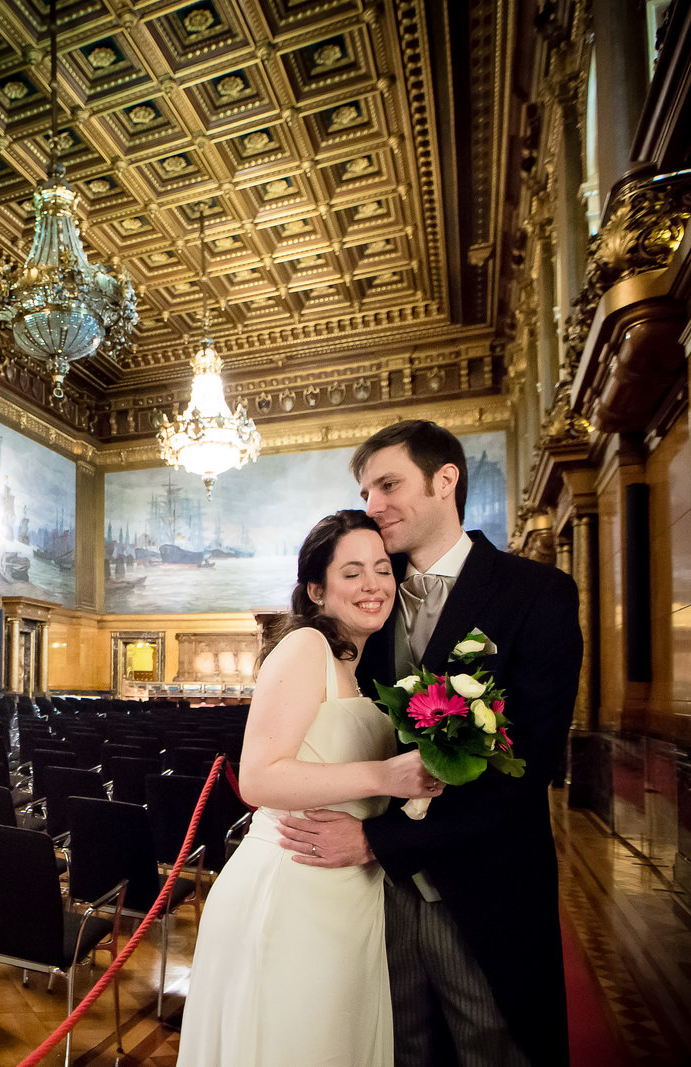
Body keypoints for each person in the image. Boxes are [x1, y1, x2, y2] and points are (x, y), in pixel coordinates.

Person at [277, 420, 581, 1067]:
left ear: (447, 480)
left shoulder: (537, 594)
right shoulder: (371, 610)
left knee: (491, 1047)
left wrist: (374, 840)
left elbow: (525, 770)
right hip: (379, 897)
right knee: (403, 1047)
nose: (373, 504)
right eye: (365, 490)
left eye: (389, 484)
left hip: (482, 890)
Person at [179, 509, 436, 1067]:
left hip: (347, 890)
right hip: (292, 888)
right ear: (317, 589)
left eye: (382, 569)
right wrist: (386, 775)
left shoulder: (361, 667)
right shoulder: (305, 649)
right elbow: (260, 777)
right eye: (352, 572)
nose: (373, 585)